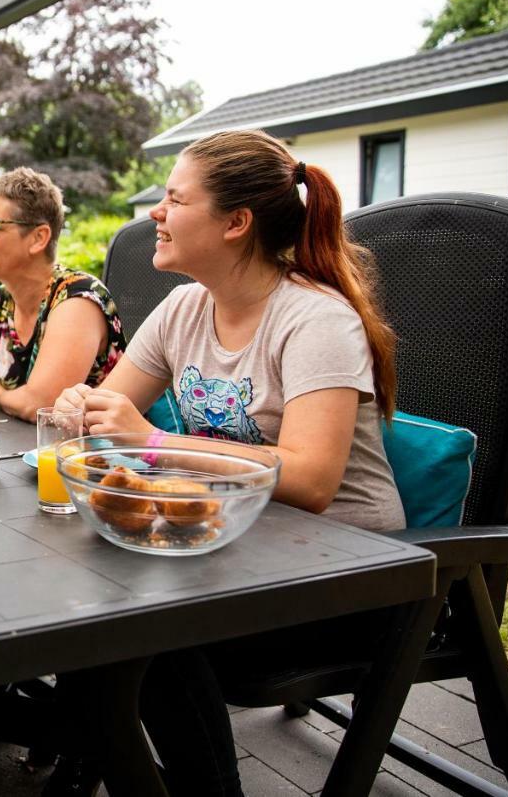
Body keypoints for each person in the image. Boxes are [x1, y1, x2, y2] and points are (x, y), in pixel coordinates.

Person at [54, 129, 404, 796]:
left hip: (351, 572)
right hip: (240, 548)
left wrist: (155, 443)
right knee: (86, 605)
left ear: (237, 223)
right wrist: (83, 405)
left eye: (173, 199)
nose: (154, 212)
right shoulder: (187, 306)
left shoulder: (315, 319)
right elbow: (112, 409)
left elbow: (311, 479)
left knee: (144, 633)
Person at [0, 168, 127, 422]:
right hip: (18, 452)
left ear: (39, 238)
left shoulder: (77, 299)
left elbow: (39, 405)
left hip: (93, 456)